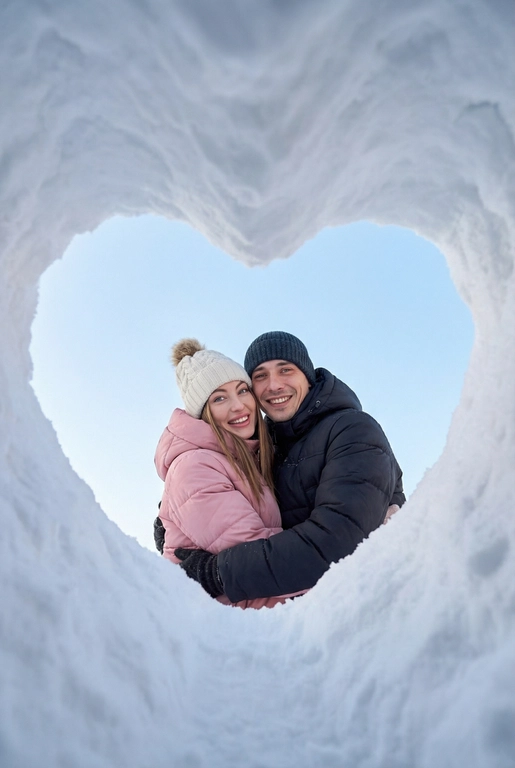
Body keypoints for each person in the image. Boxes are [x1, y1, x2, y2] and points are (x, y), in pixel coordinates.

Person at [169, 331, 406, 604]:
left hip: (340, 608)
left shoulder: (351, 429)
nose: (274, 385)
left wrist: (219, 572)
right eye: (260, 376)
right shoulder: (266, 444)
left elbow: (338, 542)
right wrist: (176, 516)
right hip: (278, 611)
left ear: (307, 375)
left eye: (286, 370)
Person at [155, 338, 305, 609]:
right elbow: (261, 562)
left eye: (242, 391)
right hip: (231, 627)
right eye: (220, 398)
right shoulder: (195, 467)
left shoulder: (247, 458)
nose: (239, 406)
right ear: (203, 413)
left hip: (259, 609)